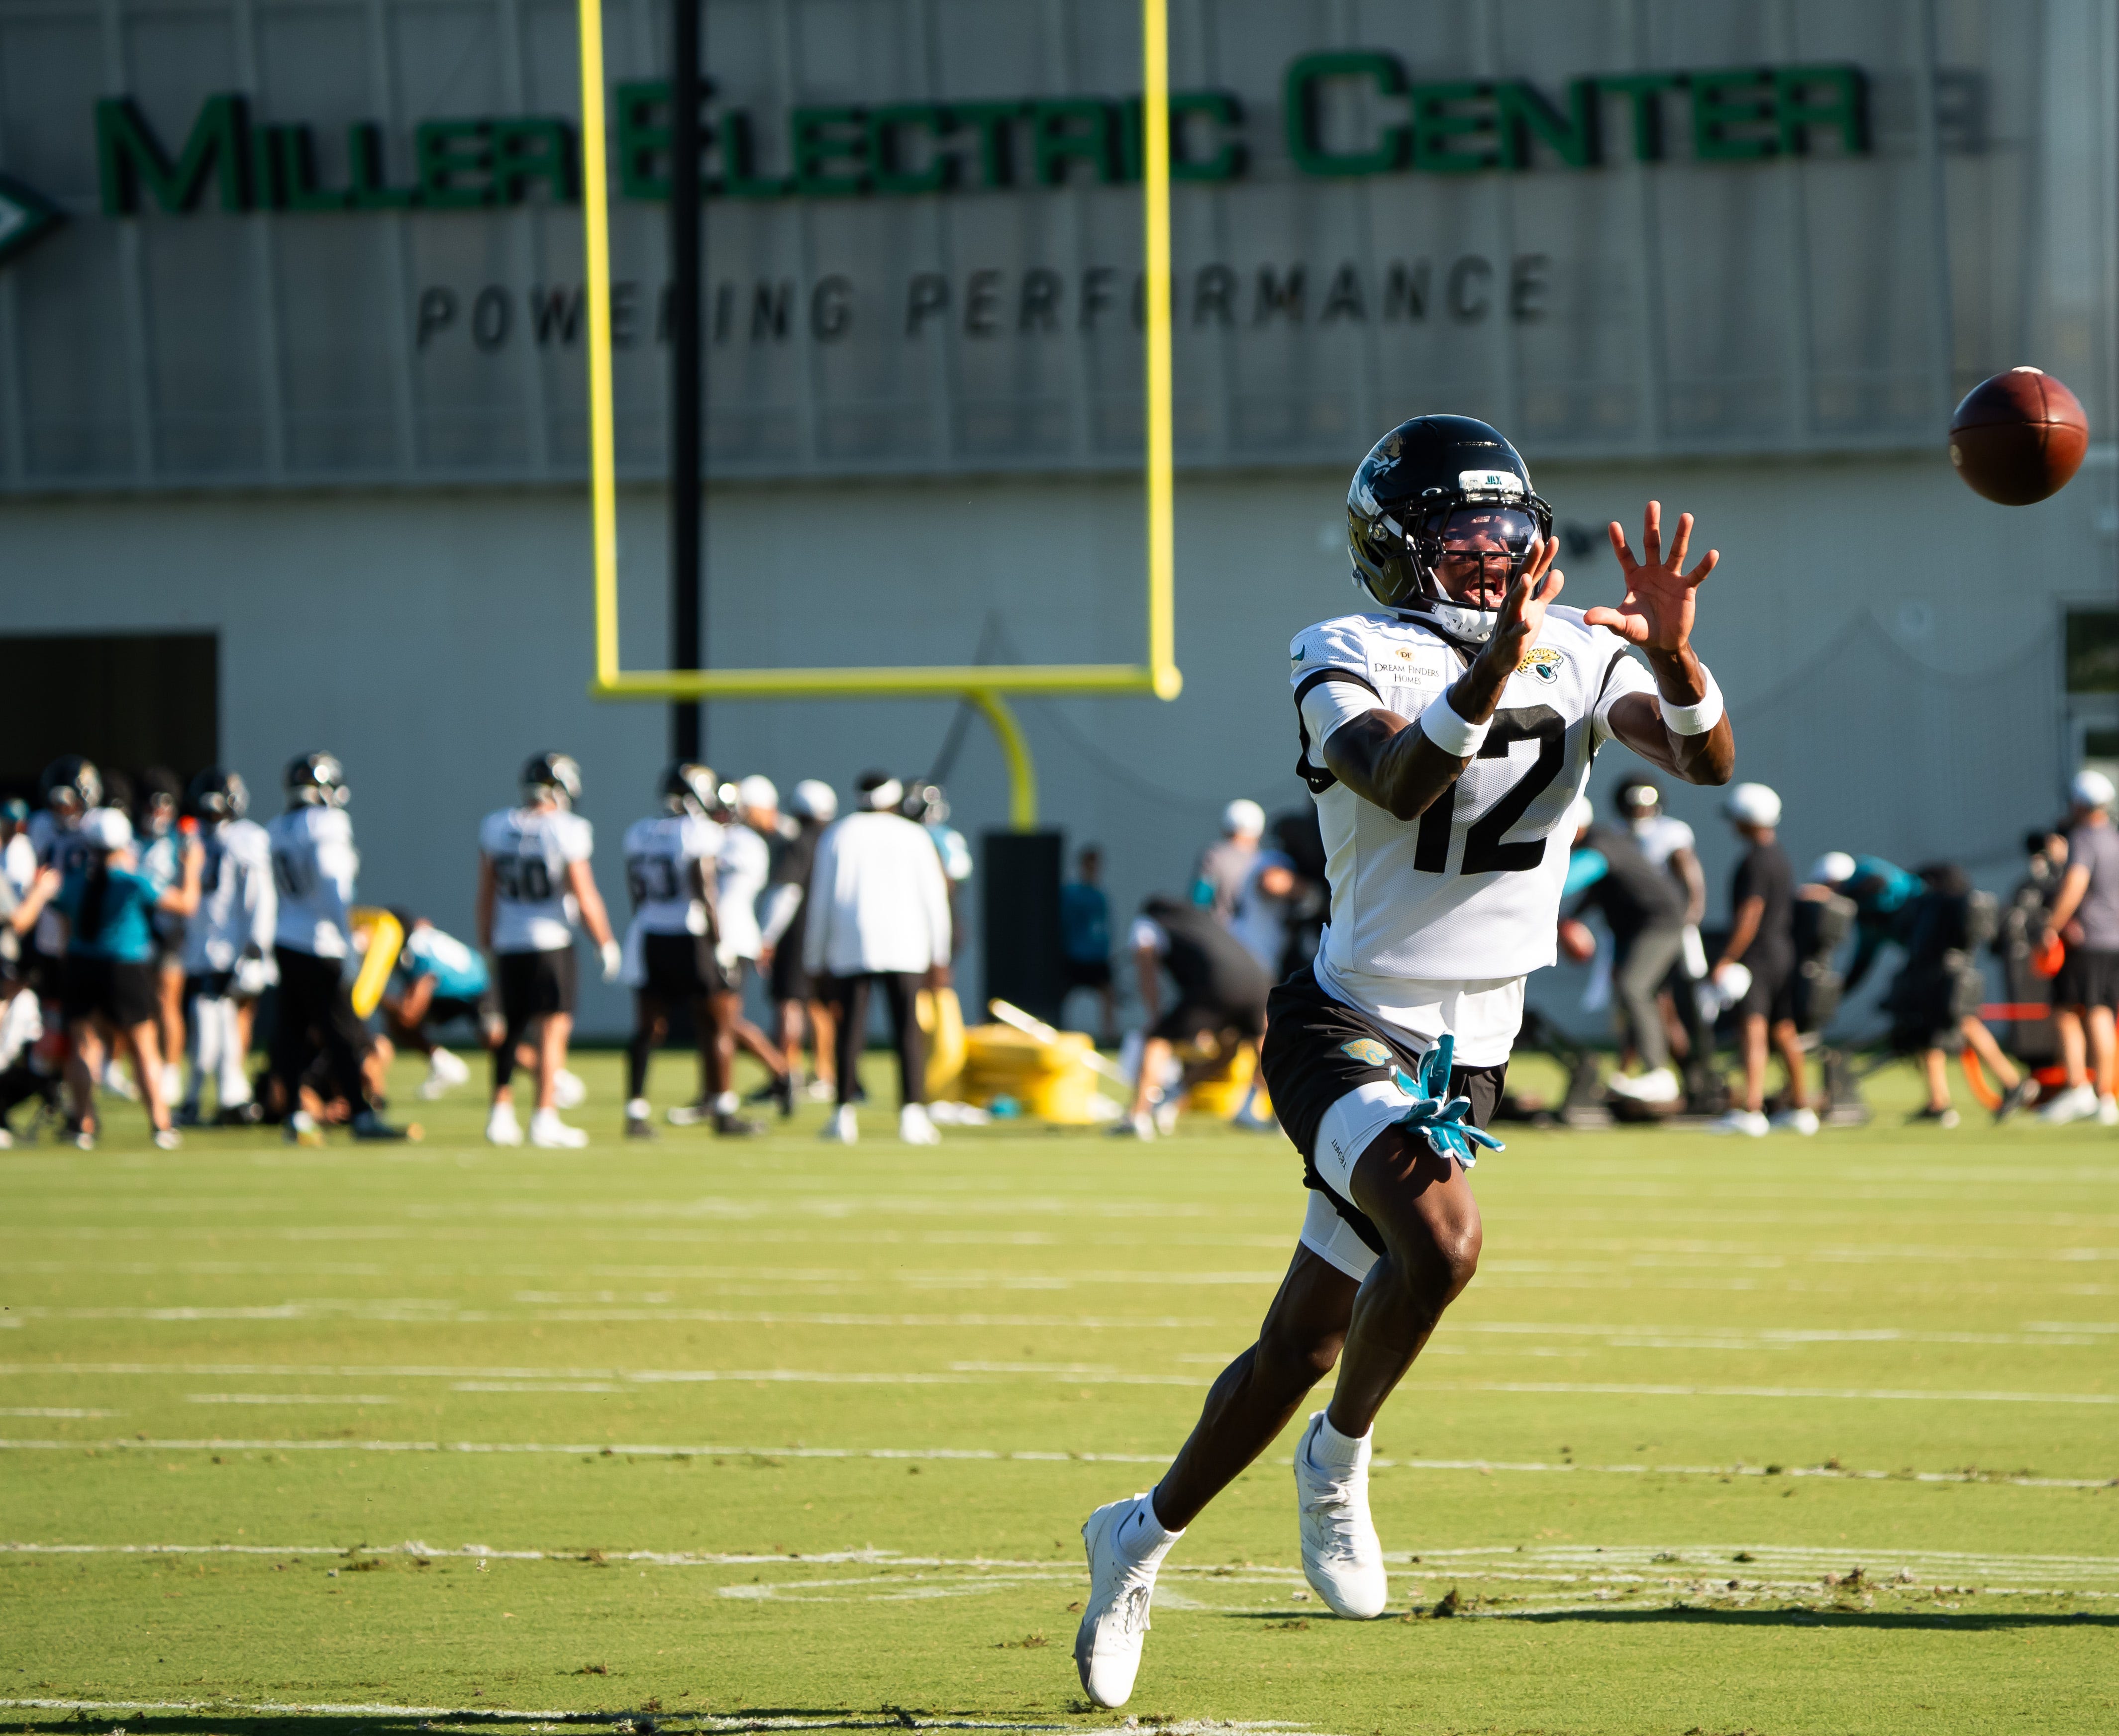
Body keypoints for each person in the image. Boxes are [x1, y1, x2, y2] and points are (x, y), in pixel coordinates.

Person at [1072, 415, 1733, 1711]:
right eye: (1461, 540)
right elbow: (1398, 779)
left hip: (1467, 1053)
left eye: (1504, 537)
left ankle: (1136, 1536)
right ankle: (1340, 1460)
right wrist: (1489, 669)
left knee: (1300, 1339)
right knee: (1443, 1243)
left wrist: (1673, 657)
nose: (1491, 564)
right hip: (1344, 1025)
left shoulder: (1578, 647)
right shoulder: (1344, 648)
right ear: (1396, 553)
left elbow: (1705, 760)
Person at [7, 806, 201, 1149]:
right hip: (126, 967)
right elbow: (186, 904)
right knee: (143, 1047)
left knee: (83, 1045)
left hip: (82, 965)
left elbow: (64, 925)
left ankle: (83, 1125)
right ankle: (161, 1124)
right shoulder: (133, 881)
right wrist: (193, 868)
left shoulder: (75, 882)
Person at [477, 752, 620, 1149]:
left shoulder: (496, 826)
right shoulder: (566, 829)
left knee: (512, 1029)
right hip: (550, 941)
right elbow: (584, 892)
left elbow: (485, 892)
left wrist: (487, 939)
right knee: (553, 1029)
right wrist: (605, 941)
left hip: (509, 940)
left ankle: (500, 1112)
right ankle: (544, 1116)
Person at [802, 770, 953, 1146]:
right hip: (907, 943)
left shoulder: (838, 833)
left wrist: (814, 957)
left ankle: (843, 1114)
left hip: (851, 942)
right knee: (907, 1029)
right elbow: (935, 900)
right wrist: (940, 953)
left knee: (849, 1029)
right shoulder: (914, 835)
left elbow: (819, 900)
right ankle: (911, 1114)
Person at [267, 754, 411, 1144]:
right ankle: (361, 1117)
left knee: (292, 1033)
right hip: (320, 941)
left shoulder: (277, 827)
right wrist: (347, 943)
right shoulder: (327, 822)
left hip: (286, 938)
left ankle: (295, 1115)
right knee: (344, 1034)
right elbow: (333, 886)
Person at [617, 763, 758, 1139]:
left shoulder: (640, 832)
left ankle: (635, 1111)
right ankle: (724, 1111)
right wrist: (721, 946)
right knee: (716, 1024)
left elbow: (636, 893)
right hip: (691, 935)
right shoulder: (700, 832)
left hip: (650, 933)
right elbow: (705, 891)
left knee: (648, 1028)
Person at [670, 773, 790, 1126]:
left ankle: (779, 1072)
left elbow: (722, 889)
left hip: (730, 938)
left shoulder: (741, 843)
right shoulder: (712, 838)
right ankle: (712, 1096)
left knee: (723, 1020)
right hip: (712, 936)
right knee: (705, 1019)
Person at [1113, 893, 1273, 1140]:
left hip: (1216, 982)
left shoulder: (1149, 921)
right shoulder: (1200, 921)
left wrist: (1155, 1016)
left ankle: (1137, 1116)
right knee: (1242, 1047)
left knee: (1158, 1039)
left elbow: (1146, 962)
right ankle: (1279, 1118)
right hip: (1258, 981)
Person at [1885, 863, 2031, 1126]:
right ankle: (1938, 1101)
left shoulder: (1944, 904)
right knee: (1931, 1036)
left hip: (1946, 976)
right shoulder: (1945, 904)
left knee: (1964, 1025)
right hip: (1944, 974)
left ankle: (2012, 1082)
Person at [1563, 796, 1688, 1104]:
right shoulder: (1602, 841)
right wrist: (1567, 919)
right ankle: (1637, 1070)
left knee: (1634, 988)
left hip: (1658, 924)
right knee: (1629, 993)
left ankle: (1660, 1074)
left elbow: (1567, 881)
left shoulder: (1601, 845)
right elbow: (1593, 894)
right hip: (1635, 930)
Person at [1706, 783, 1812, 1137]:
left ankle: (1751, 1110)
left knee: (1752, 1027)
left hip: (1759, 954)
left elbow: (1750, 914)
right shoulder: (1778, 855)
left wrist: (1727, 957)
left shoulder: (1754, 860)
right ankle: (1801, 1107)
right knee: (1783, 1029)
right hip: (1782, 950)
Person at [177, 768, 275, 1127]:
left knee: (217, 1021)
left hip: (218, 946)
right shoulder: (236, 837)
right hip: (221, 946)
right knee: (218, 1022)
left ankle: (216, 1096)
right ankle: (222, 1096)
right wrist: (257, 943)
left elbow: (257, 896)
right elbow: (258, 897)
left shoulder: (200, 838)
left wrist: (255, 943)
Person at [2037, 769, 2119, 1125]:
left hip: (2085, 940)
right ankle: (2105, 1096)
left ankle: (2077, 1088)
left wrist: (2051, 926)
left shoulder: (2084, 838)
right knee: (2101, 1012)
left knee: (2067, 1011)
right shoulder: (2114, 838)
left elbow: (2075, 884)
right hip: (2112, 940)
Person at [1616, 779, 1707, 1067]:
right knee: (1644, 1002)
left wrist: (1692, 913)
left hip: (1664, 926)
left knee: (1646, 995)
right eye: (1636, 807)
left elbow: (1689, 873)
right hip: (1634, 928)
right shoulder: (1621, 834)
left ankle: (1665, 1071)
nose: (1641, 812)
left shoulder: (1671, 833)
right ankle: (1640, 1071)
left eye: (1646, 806)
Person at [758, 778, 839, 1102]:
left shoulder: (798, 843)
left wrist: (767, 937)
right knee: (822, 1005)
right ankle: (825, 1074)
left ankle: (785, 1073)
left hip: (798, 932)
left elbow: (786, 893)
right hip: (832, 932)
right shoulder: (835, 840)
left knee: (789, 1004)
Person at [381, 912, 501, 1100]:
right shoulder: (416, 938)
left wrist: (376, 995)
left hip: (478, 987)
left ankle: (551, 1075)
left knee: (496, 1041)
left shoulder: (418, 952)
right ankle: (443, 1064)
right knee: (397, 1023)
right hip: (448, 993)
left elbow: (410, 1013)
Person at [135, 767, 191, 1109]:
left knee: (168, 1001)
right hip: (139, 930)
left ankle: (171, 1069)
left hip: (170, 929)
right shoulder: (132, 841)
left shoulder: (178, 842)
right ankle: (149, 1066)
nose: (158, 815)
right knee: (144, 1005)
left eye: (164, 808)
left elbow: (188, 888)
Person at [1808, 851, 1924, 997]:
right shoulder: (1869, 921)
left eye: (1833, 886)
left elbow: (1879, 884)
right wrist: (1836, 994)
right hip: (1921, 951)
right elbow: (1862, 961)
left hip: (1936, 933)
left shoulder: (1868, 874)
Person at [1060, 845, 1117, 1047]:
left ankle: (1110, 1037)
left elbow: (1102, 929)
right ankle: (1058, 1035)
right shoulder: (1070, 894)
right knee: (1061, 997)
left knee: (1109, 994)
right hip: (1075, 956)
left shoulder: (1100, 896)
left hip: (1097, 959)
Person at [1193, 799, 1264, 923]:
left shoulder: (1215, 857)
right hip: (1254, 939)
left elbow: (1200, 901)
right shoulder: (1265, 861)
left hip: (1218, 935)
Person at [1, 797, 35, 902]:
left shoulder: (20, 845)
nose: (16, 827)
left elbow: (17, 885)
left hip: (19, 903)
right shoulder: (8, 844)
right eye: (10, 823)